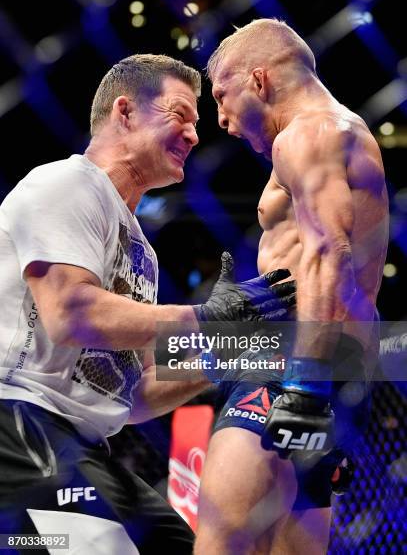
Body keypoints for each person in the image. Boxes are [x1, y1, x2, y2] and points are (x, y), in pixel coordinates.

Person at [0, 53, 295, 554]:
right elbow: (71, 313)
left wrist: (231, 348)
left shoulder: (142, 252)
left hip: (83, 445)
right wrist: (205, 317)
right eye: (180, 115)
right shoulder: (67, 185)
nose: (195, 135)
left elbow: (132, 394)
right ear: (125, 112)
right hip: (17, 425)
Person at [195, 19, 388, 554]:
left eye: (222, 97)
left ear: (259, 80)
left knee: (222, 541)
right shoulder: (341, 132)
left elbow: (332, 251)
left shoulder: (307, 133)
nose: (223, 121)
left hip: (295, 356)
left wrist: (304, 383)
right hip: (342, 363)